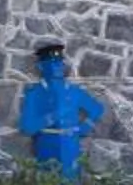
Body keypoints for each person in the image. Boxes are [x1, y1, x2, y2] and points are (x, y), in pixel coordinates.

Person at [17, 40, 107, 177]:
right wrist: (52, 117)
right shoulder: (35, 93)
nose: (58, 66)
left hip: (71, 143)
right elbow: (27, 127)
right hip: (47, 142)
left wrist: (86, 126)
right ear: (41, 67)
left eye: (60, 63)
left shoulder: (72, 90)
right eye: (53, 63)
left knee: (71, 180)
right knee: (48, 181)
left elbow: (97, 109)